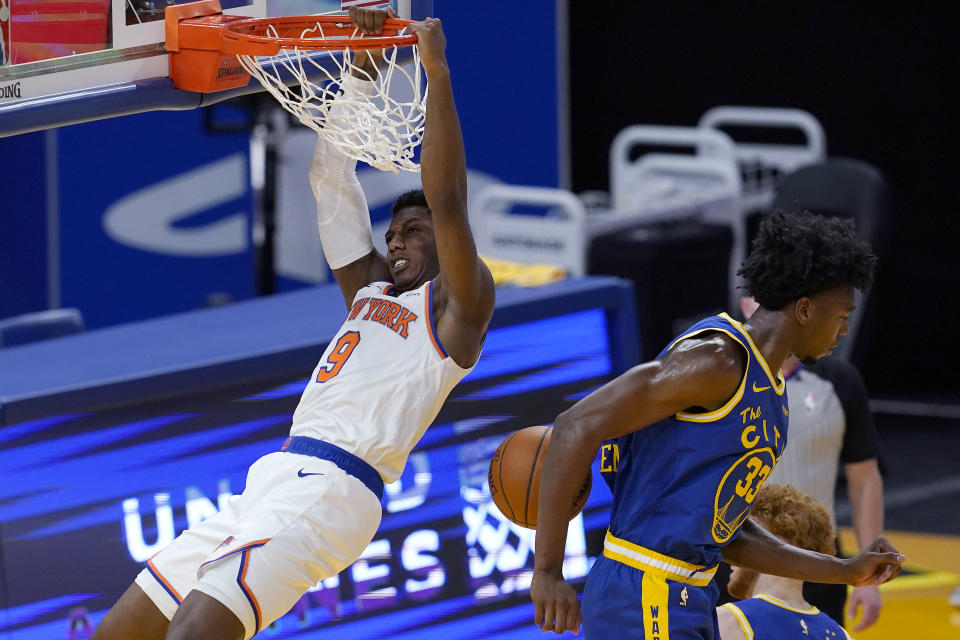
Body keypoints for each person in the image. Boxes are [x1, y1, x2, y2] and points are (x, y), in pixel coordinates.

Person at [93, 9, 495, 640]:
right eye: (391, 232)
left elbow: (445, 200)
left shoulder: (457, 310)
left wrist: (435, 69)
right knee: (119, 632)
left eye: (412, 234)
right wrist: (361, 69)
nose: (396, 241)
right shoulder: (368, 290)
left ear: (447, 248)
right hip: (275, 475)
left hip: (335, 485)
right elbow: (328, 176)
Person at [530, 210, 904, 638]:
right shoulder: (717, 361)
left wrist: (845, 571)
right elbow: (574, 426)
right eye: (841, 315)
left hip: (692, 592)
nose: (843, 330)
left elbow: (728, 534)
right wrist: (548, 571)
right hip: (645, 587)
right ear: (804, 309)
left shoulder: (770, 394)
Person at [730, 296, 885, 631]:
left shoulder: (840, 382)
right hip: (736, 561)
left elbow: (865, 478)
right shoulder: (721, 377)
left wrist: (869, 578)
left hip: (820, 565)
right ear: (747, 305)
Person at [717, 484, 854, 640]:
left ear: (766, 542)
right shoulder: (840, 635)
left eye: (740, 538)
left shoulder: (727, 621)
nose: (729, 550)